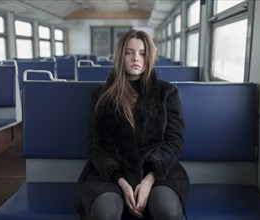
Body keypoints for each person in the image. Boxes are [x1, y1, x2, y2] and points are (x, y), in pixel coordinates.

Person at [77, 29, 189, 220]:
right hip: (111, 174)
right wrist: (122, 182)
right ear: (121, 56)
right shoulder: (101, 95)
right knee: (104, 212)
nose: (136, 58)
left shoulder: (166, 92)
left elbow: (174, 140)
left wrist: (149, 180)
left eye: (142, 53)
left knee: (166, 210)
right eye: (129, 52)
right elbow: (95, 146)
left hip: (158, 172)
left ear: (149, 57)